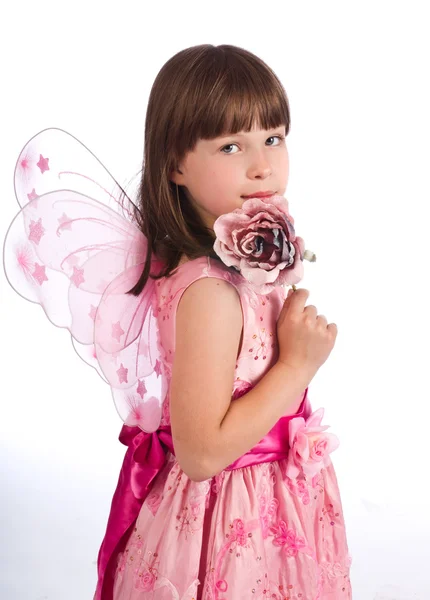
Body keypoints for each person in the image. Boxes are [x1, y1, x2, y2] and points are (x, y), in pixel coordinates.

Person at [3, 44, 352, 599]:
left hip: (272, 506)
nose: (262, 163)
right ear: (175, 164)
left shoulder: (237, 272)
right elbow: (201, 452)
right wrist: (296, 367)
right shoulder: (210, 291)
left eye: (274, 137)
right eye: (232, 145)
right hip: (226, 525)